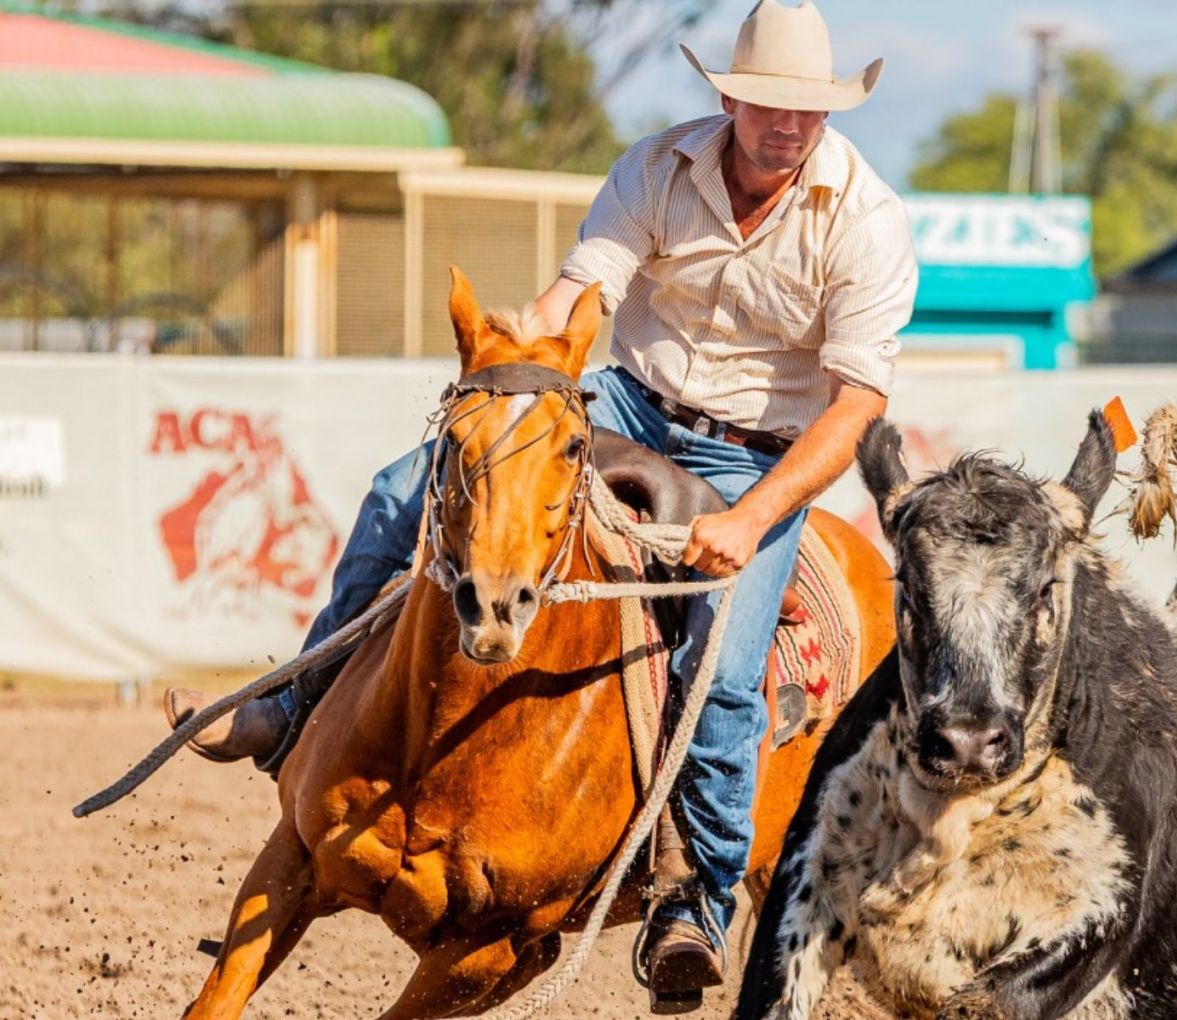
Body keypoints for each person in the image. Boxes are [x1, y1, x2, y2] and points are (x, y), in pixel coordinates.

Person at [164, 0, 916, 1001]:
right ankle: (295, 702)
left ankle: (695, 894)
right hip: (628, 409)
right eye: (770, 104)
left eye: (808, 109)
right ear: (730, 96)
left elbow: (856, 402)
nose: (789, 125)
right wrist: (528, 340)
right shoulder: (658, 169)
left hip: (754, 459)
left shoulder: (864, 220)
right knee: (404, 490)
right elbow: (582, 291)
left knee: (725, 666)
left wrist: (746, 519)